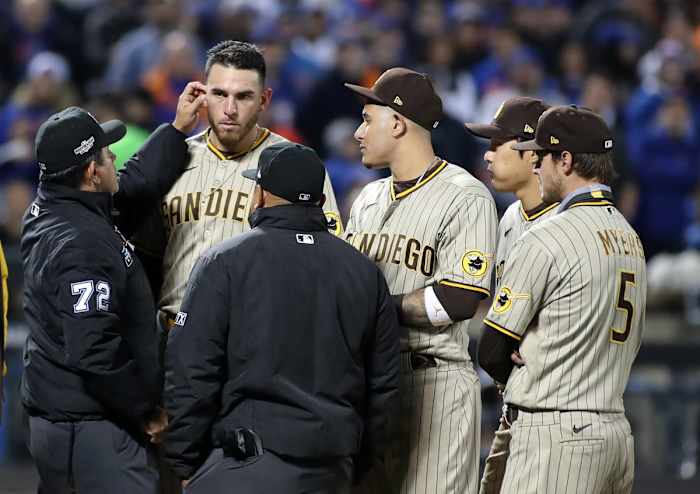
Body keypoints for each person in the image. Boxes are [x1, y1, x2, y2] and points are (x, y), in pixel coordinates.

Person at [163, 142, 400, 493]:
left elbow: (192, 369)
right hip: (332, 468)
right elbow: (384, 386)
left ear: (260, 194)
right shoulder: (364, 271)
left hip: (247, 463)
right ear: (321, 202)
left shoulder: (225, 261)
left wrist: (183, 460)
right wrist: (358, 466)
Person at [20, 83, 205, 493]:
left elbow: (133, 185)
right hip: (89, 428)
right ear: (91, 173)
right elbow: (94, 350)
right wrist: (146, 410)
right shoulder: (80, 243)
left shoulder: (59, 206)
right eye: (107, 155)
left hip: (71, 416)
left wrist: (175, 130)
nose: (115, 158)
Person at [344, 67, 498, 494]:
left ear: (397, 123)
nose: (358, 133)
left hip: (434, 382)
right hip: (371, 382)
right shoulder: (368, 198)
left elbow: (458, 300)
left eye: (367, 120)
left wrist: (378, 309)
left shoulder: (464, 195)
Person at [478, 105, 646, 494]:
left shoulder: (548, 236)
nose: (536, 166)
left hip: (556, 434)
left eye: (542, 157)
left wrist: (519, 362)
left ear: (566, 161)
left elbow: (491, 350)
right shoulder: (630, 237)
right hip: (615, 430)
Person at [136, 40, 341, 332]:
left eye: (243, 97)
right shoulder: (172, 156)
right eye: (219, 94)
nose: (229, 109)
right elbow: (144, 258)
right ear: (203, 94)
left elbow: (328, 258)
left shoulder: (296, 165)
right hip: (171, 334)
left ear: (264, 100)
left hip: (253, 336)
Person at [464, 96, 552, 494]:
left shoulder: (569, 221)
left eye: (498, 144)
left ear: (533, 155)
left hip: (553, 407)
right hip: (514, 403)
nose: (487, 154)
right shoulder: (512, 216)